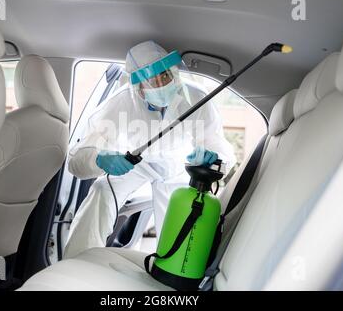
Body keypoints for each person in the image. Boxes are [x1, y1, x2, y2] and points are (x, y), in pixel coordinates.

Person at [64, 40, 236, 258]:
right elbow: (75, 161)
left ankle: (170, 275)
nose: (162, 83)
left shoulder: (197, 97)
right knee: (102, 189)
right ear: (138, 87)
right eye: (152, 81)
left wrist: (212, 158)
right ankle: (78, 261)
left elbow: (220, 149)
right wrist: (98, 159)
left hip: (179, 166)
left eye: (165, 75)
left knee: (178, 230)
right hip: (138, 162)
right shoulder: (121, 102)